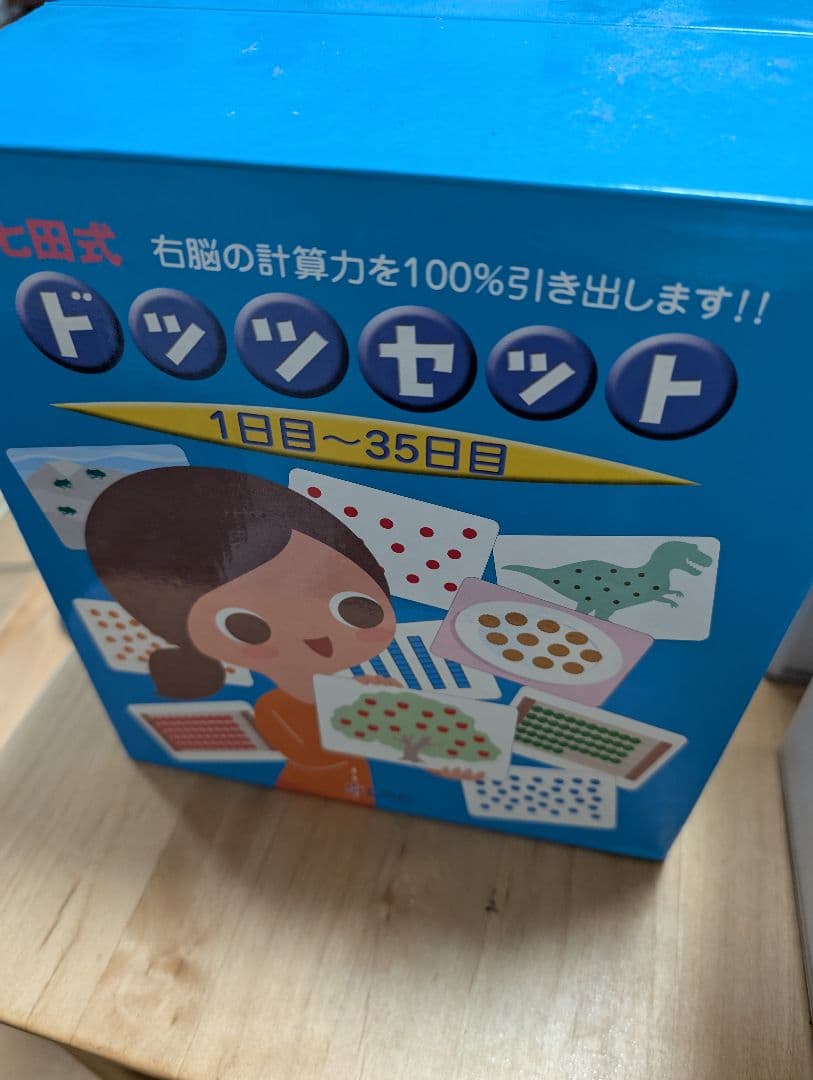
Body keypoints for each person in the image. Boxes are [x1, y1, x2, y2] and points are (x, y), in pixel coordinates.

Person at [85, 465, 398, 806]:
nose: (314, 638)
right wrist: (379, 721)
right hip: (307, 794)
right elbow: (317, 757)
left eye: (352, 607)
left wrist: (373, 704)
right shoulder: (273, 709)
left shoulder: (355, 690)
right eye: (248, 628)